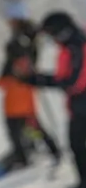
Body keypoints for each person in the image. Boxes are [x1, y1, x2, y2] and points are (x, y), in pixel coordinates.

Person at [15, 11, 86, 188]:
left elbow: (72, 82)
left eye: (52, 34)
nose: (52, 40)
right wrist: (36, 78)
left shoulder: (77, 47)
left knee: (77, 144)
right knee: (79, 144)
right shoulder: (76, 44)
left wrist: (36, 79)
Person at [0, 16, 62, 171]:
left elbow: (7, 78)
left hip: (17, 99)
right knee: (31, 127)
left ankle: (25, 155)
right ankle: (47, 149)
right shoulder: (28, 49)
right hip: (23, 98)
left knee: (21, 129)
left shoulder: (17, 51)